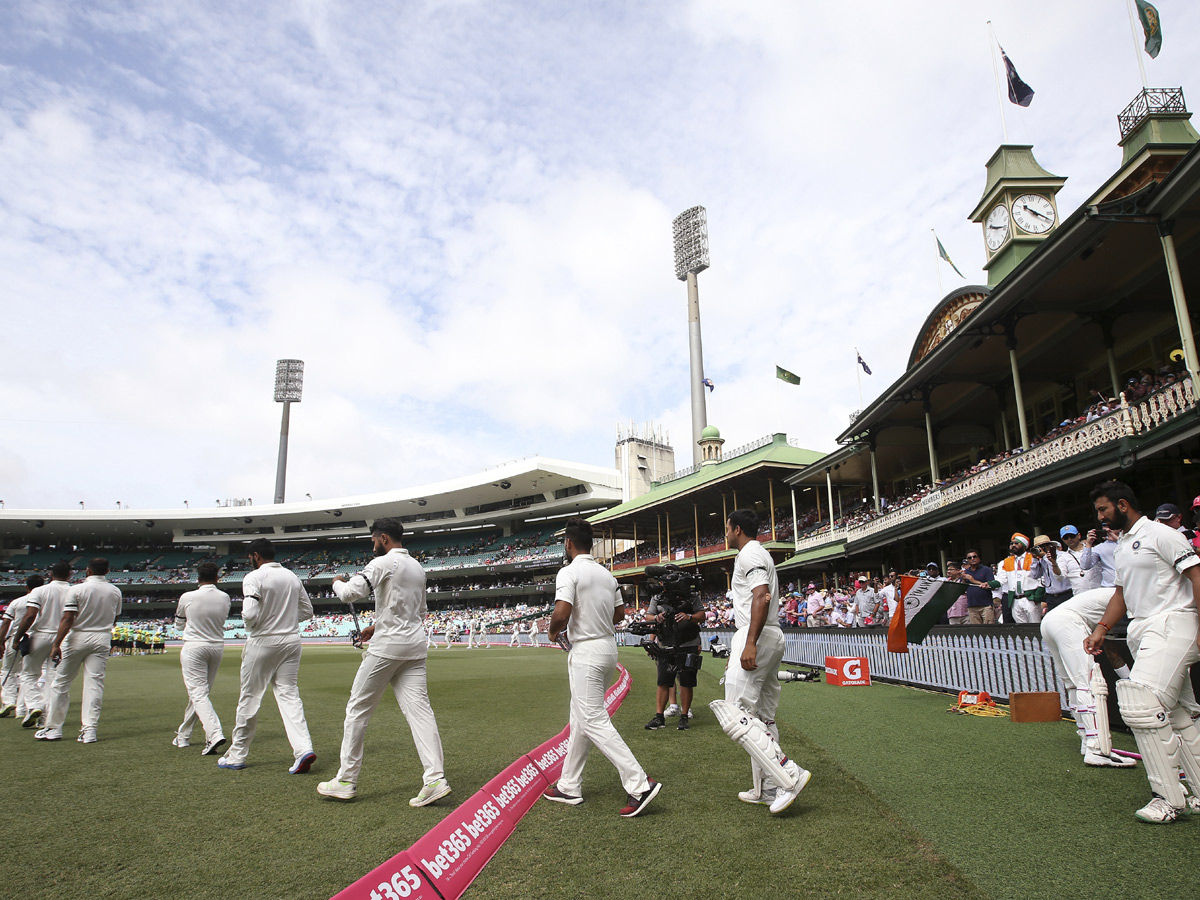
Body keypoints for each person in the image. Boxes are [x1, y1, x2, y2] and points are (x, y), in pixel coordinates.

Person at [1083, 481, 1200, 823]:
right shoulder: (1121, 545)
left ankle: (1168, 799)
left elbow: (1195, 574)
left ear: (1123, 504)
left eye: (1104, 509)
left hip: (1173, 622)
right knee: (1177, 713)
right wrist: (1101, 629)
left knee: (1142, 704)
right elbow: (1121, 592)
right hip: (1142, 627)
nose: (1101, 517)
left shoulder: (1161, 534)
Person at [318, 518, 449, 805]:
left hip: (388, 648)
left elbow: (351, 593)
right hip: (414, 646)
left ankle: (345, 780)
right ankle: (435, 778)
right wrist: (375, 626)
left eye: (374, 539)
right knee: (420, 712)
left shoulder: (381, 563)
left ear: (384, 538)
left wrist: (336, 583)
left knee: (357, 709)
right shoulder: (417, 567)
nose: (372, 543)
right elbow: (418, 611)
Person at [543, 517, 660, 817]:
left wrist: (553, 631)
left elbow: (562, 611)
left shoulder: (568, 572)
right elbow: (619, 614)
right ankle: (569, 785)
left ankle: (639, 783)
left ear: (568, 543)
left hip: (586, 651)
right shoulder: (607, 575)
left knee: (592, 718)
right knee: (581, 717)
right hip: (608, 647)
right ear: (591, 544)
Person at [710, 509, 811, 815]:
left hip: (757, 633)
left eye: (727, 528)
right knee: (763, 717)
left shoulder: (749, 554)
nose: (725, 534)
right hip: (770, 633)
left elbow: (761, 596)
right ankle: (767, 788)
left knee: (734, 714)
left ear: (737, 529)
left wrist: (750, 642)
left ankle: (788, 774)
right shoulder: (759, 553)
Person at [218, 538, 316, 773]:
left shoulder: (254, 577)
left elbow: (250, 614)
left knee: (250, 697)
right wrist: (287, 621)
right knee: (289, 696)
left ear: (255, 556)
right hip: (292, 642)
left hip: (263, 641)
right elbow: (308, 611)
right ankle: (303, 749)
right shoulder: (292, 576)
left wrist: (255, 625)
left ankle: (237, 754)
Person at [1040, 587, 1135, 768]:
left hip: (1050, 622)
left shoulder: (1108, 606)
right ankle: (1096, 749)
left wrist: (1131, 681)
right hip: (1067, 622)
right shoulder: (1124, 596)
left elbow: (1112, 653)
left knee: (1074, 684)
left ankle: (1087, 741)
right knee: (1089, 683)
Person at [35, 558, 123, 743]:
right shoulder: (115, 591)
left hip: (77, 637)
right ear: (107, 571)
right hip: (102, 637)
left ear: (88, 570)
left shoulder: (76, 589)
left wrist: (55, 644)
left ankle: (53, 728)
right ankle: (89, 730)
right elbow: (115, 619)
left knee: (61, 683)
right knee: (94, 684)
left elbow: (67, 618)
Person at [171, 562, 231, 755]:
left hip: (194, 646)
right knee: (200, 694)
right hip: (216, 647)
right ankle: (183, 735)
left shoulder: (187, 596)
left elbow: (179, 625)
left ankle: (214, 734)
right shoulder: (224, 597)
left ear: (198, 578)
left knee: (198, 694)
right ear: (217, 577)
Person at [11, 561, 73, 729]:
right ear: (70, 575)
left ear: (50, 575)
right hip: (63, 637)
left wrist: (17, 638)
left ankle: (35, 705)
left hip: (40, 635)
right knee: (53, 679)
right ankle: (46, 718)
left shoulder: (39, 590)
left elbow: (30, 616)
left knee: (29, 675)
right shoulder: (74, 590)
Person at [642, 571, 705, 732]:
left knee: (686, 680)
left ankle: (684, 716)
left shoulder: (691, 596)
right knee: (663, 680)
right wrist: (657, 618)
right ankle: (659, 716)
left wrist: (688, 616)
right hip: (666, 642)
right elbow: (649, 616)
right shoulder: (657, 597)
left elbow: (701, 615)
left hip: (688, 642)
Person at [0, 575, 44, 718]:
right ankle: (24, 708)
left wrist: (0, 642)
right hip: (37, 639)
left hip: (16, 639)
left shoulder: (17, 602)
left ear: (26, 586)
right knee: (30, 674)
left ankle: (8, 701)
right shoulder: (45, 601)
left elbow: (6, 623)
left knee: (8, 671)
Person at [994, 533, 1046, 623]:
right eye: (1011, 543)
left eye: (1017, 543)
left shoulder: (1033, 557)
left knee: (1035, 627)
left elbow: (1042, 577)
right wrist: (988, 584)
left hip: (1029, 599)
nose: (1013, 545)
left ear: (1024, 545)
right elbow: (1001, 580)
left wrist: (1038, 595)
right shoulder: (1006, 561)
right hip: (1015, 600)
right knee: (1022, 631)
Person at [1035, 535, 1073, 612]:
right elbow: (1035, 575)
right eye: (1038, 547)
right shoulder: (1041, 560)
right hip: (1051, 597)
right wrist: (1034, 559)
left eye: (1043, 546)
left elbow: (1059, 576)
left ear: (1050, 545)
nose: (1041, 549)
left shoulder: (1061, 556)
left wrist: (1045, 557)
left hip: (1065, 594)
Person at [1058, 526, 1100, 592]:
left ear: (1079, 536)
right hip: (1080, 594)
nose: (1069, 539)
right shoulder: (1063, 557)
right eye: (1066, 537)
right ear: (1062, 540)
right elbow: (1060, 577)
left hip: (1099, 589)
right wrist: (1054, 564)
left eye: (1072, 536)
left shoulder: (1094, 549)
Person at [960, 552, 995, 624]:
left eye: (974, 556)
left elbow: (991, 586)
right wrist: (963, 579)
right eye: (970, 558)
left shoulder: (986, 570)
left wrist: (973, 580)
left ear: (978, 558)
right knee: (976, 631)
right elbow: (962, 591)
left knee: (990, 630)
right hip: (972, 605)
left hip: (986, 605)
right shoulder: (966, 572)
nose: (972, 559)